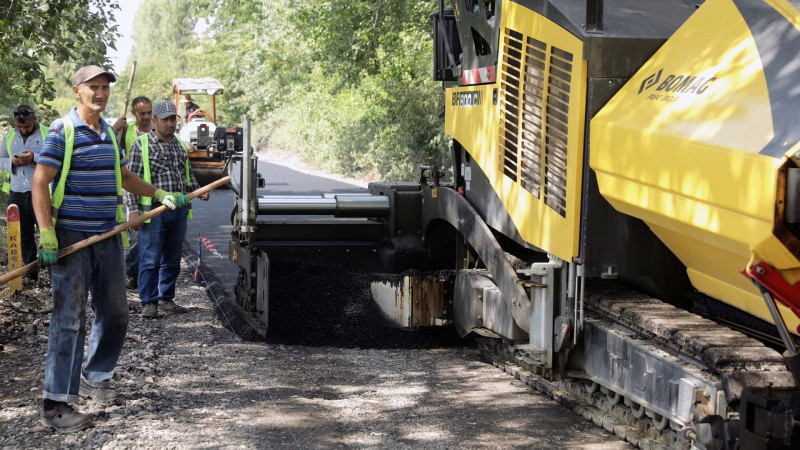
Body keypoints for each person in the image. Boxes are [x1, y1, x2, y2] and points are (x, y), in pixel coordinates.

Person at [32, 65, 187, 433]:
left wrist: (158, 193)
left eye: (104, 88)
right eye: (93, 88)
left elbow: (124, 176)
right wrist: (47, 233)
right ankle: (55, 404)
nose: (100, 94)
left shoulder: (106, 135)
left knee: (116, 312)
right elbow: (40, 182)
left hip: (108, 237)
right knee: (69, 320)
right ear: (77, 91)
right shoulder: (63, 130)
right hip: (72, 238)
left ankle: (95, 376)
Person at [126, 100, 209, 319]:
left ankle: (166, 298)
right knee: (150, 258)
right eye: (166, 120)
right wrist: (133, 211)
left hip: (178, 212)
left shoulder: (180, 145)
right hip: (154, 212)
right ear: (155, 121)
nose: (171, 123)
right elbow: (129, 180)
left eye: (173, 119)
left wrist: (198, 190)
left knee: (172, 257)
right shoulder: (141, 145)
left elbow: (186, 173)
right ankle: (149, 302)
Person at [0, 105, 49, 280]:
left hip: (41, 193)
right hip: (17, 193)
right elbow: (0, 160)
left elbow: (58, 158)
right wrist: (12, 161)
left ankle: (53, 273)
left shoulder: (47, 133)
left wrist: (34, 158)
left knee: (47, 233)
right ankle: (30, 275)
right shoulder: (11, 135)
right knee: (24, 236)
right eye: (19, 127)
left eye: (26, 127)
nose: (23, 130)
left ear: (35, 119)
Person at [120, 96, 154, 290]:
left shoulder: (158, 129)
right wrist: (117, 129)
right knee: (134, 236)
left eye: (149, 112)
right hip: (133, 190)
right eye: (142, 113)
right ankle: (132, 273)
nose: (147, 116)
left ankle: (151, 274)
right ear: (134, 114)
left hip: (154, 190)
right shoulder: (128, 131)